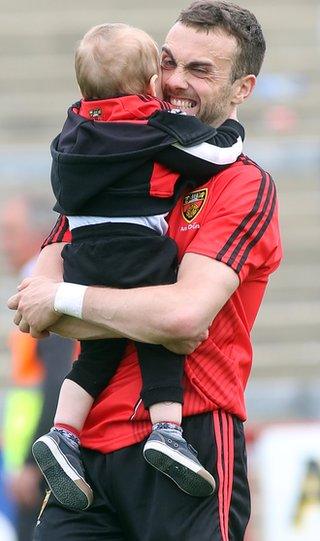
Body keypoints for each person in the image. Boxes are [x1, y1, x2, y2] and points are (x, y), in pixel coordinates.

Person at [9, 2, 282, 540]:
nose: (176, 82)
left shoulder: (242, 185)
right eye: (169, 62)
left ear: (243, 88)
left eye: (200, 71)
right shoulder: (116, 165)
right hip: (84, 456)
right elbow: (33, 308)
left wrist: (71, 301)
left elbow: (182, 318)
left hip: (192, 440)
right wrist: (108, 308)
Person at [0, 195, 75, 541]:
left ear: (37, 235)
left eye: (10, 232)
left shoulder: (44, 292)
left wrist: (34, 462)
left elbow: (58, 379)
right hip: (30, 457)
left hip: (42, 458)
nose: (4, 244)